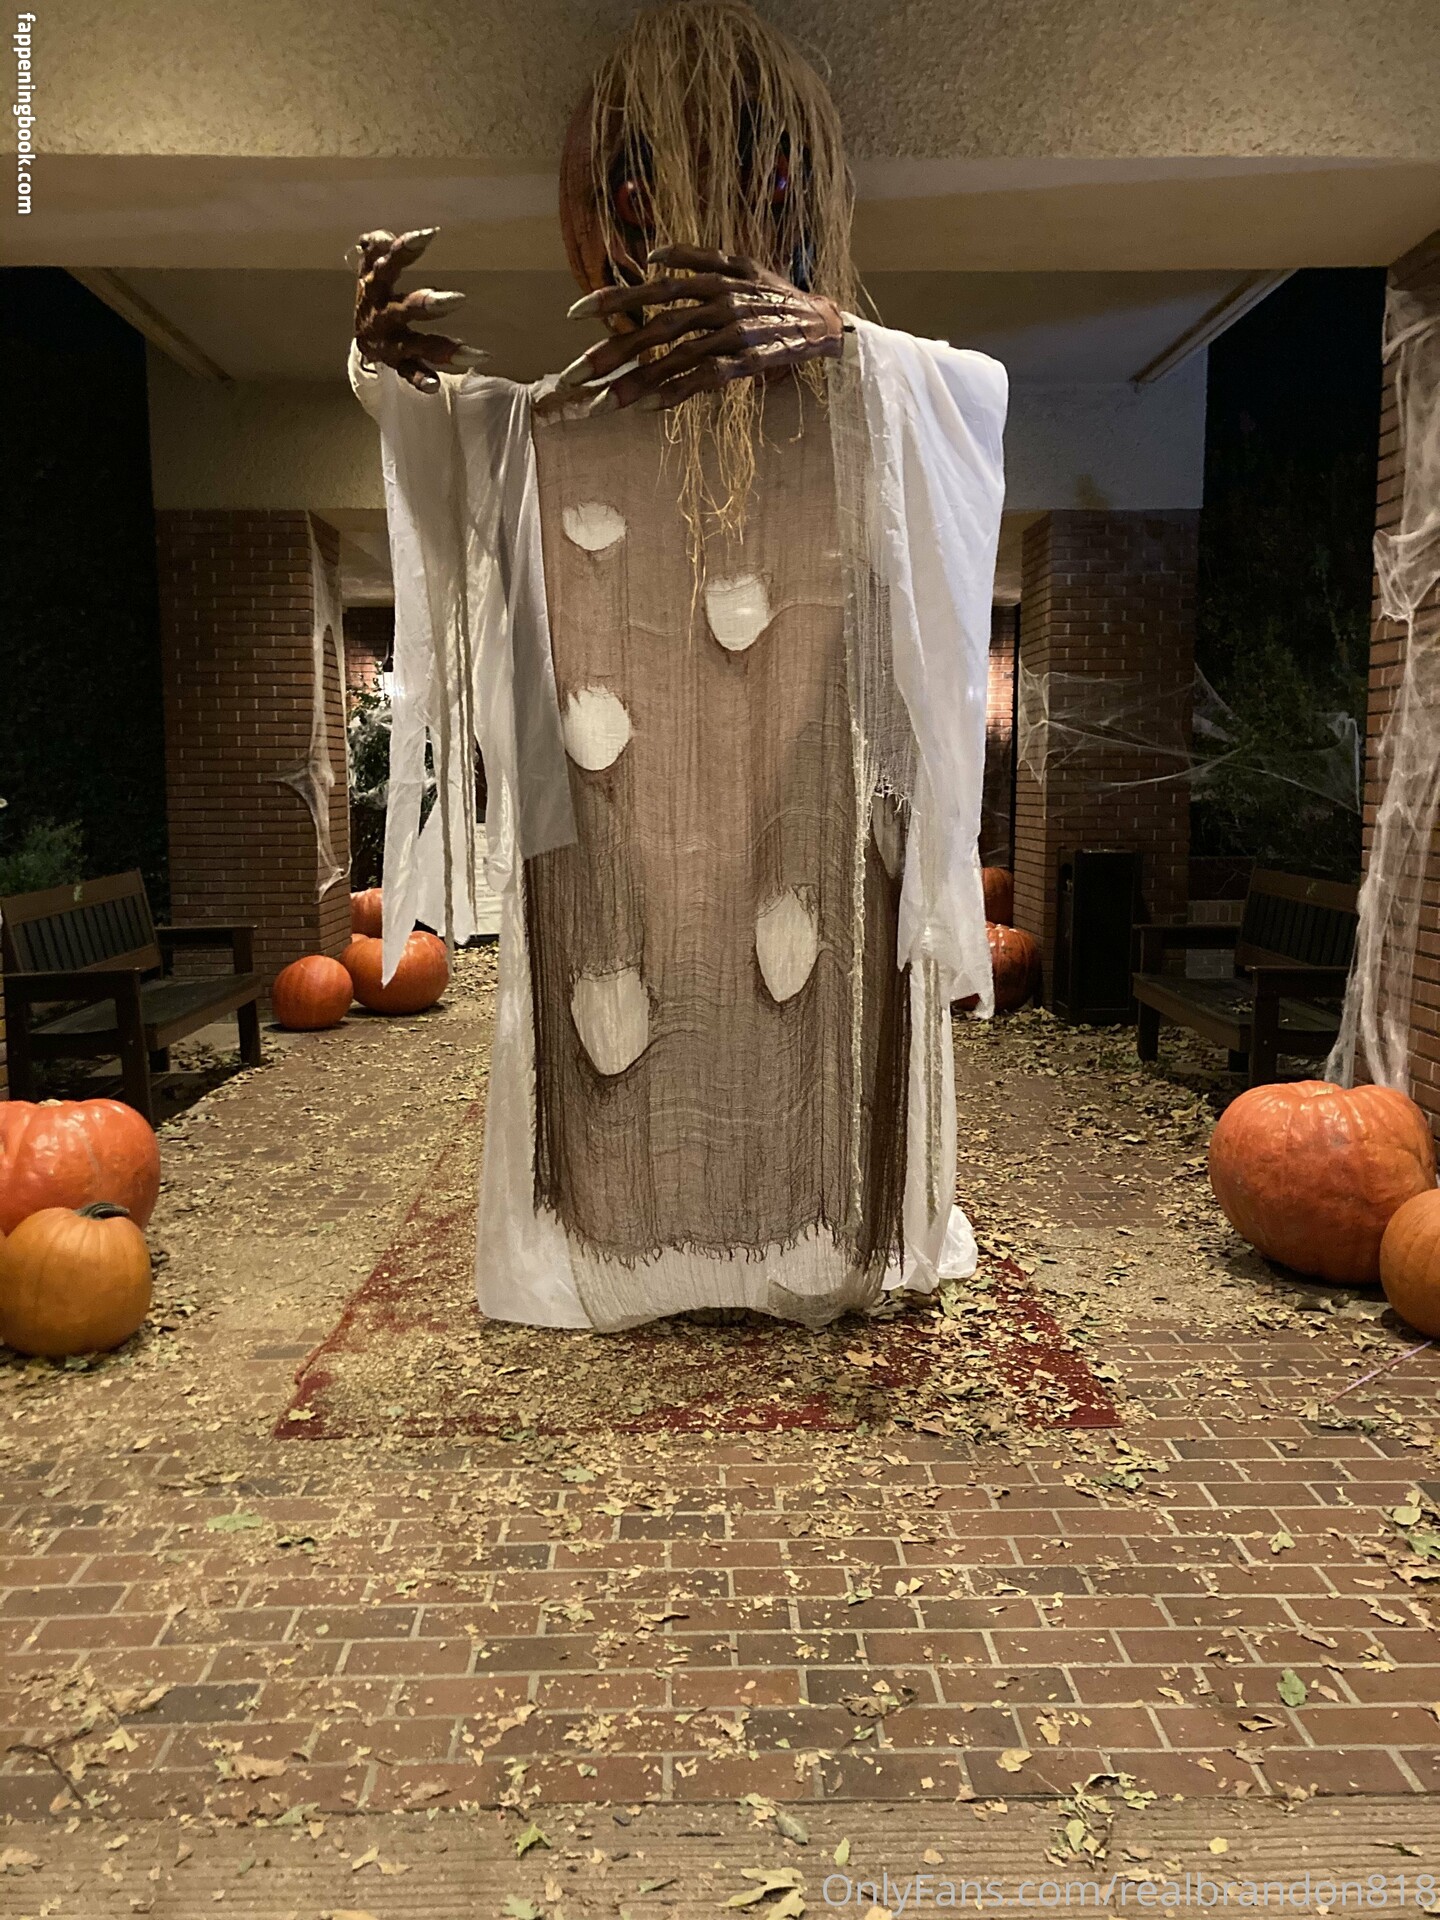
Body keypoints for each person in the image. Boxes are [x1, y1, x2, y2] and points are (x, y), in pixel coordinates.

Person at [349, 1, 1006, 1331]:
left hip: (808, 811)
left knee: (799, 985)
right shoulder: (551, 425)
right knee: (635, 992)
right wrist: (384, 370)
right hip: (628, 824)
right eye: (631, 189)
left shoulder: (868, 390)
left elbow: (976, 396)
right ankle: (638, 1233)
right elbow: (462, 444)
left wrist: (845, 340)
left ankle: (814, 1225)